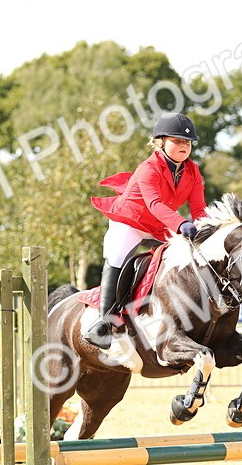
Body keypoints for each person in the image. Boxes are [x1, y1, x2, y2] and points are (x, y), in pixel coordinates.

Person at [83, 112, 208, 349]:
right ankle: (104, 322)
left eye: (187, 142)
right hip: (130, 220)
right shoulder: (148, 168)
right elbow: (155, 204)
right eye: (177, 141)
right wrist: (181, 224)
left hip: (160, 225)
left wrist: (204, 229)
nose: (184, 146)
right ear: (161, 142)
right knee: (118, 254)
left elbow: (199, 207)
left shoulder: (192, 172)